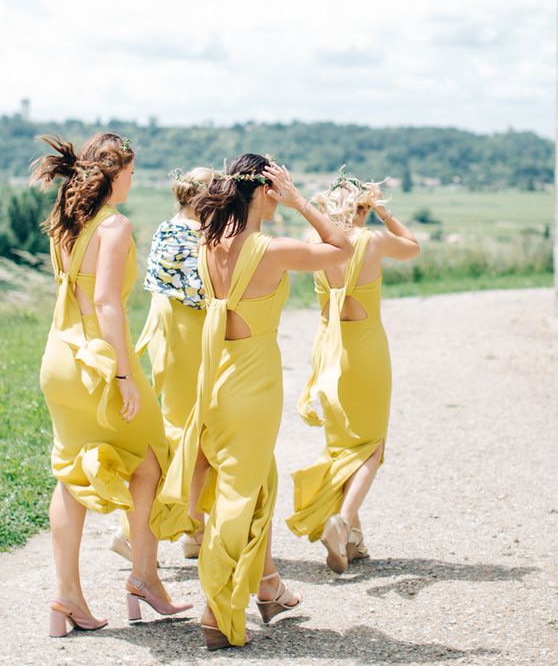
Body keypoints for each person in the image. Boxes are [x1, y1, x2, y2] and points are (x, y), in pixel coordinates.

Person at [160, 154, 353, 649]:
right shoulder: (270, 249)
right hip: (253, 385)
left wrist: (282, 194)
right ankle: (214, 611)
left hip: (215, 380)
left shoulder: (209, 242)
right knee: (237, 496)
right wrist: (300, 200)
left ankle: (267, 588)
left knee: (255, 479)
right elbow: (343, 246)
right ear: (266, 190)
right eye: (278, 188)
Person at [32, 133, 191, 638]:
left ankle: (67, 596)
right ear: (114, 173)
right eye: (131, 171)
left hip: (58, 358)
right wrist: (124, 376)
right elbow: (106, 304)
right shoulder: (115, 226)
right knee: (151, 458)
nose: (134, 179)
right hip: (98, 361)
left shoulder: (65, 223)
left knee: (71, 475)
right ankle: (144, 578)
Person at [286, 172, 419, 573]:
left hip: (329, 348)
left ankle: (354, 541)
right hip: (365, 349)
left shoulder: (315, 244)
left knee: (343, 443)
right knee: (371, 445)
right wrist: (383, 212)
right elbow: (413, 247)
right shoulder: (372, 240)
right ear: (361, 208)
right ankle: (342, 522)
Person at [110, 167, 213, 563]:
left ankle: (194, 525)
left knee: (196, 430)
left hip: (170, 329)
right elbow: (201, 292)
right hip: (186, 332)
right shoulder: (193, 234)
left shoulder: (169, 228)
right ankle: (132, 530)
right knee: (186, 430)